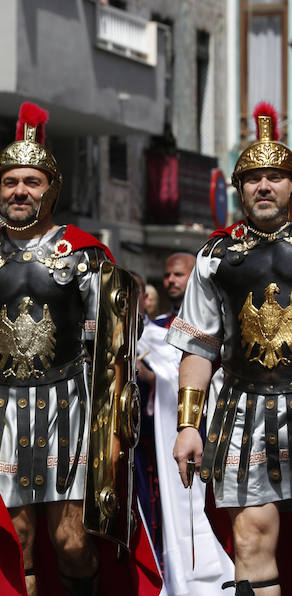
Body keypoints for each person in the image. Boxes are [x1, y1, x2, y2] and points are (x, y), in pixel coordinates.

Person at [0, 102, 114, 596]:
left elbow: (109, 349)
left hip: (67, 408)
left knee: (71, 538)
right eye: (10, 182)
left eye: (31, 182)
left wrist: (112, 426)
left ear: (51, 189)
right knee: (19, 537)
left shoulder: (83, 253)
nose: (19, 191)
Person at [169, 102, 292, 595]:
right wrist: (187, 426)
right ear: (239, 190)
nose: (264, 186)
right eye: (253, 178)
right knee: (251, 539)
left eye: (276, 176)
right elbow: (199, 347)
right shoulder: (215, 258)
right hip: (244, 411)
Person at [136, 256, 234, 594]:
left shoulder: (222, 319)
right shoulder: (153, 330)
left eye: (179, 274)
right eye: (166, 275)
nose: (171, 281)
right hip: (168, 434)